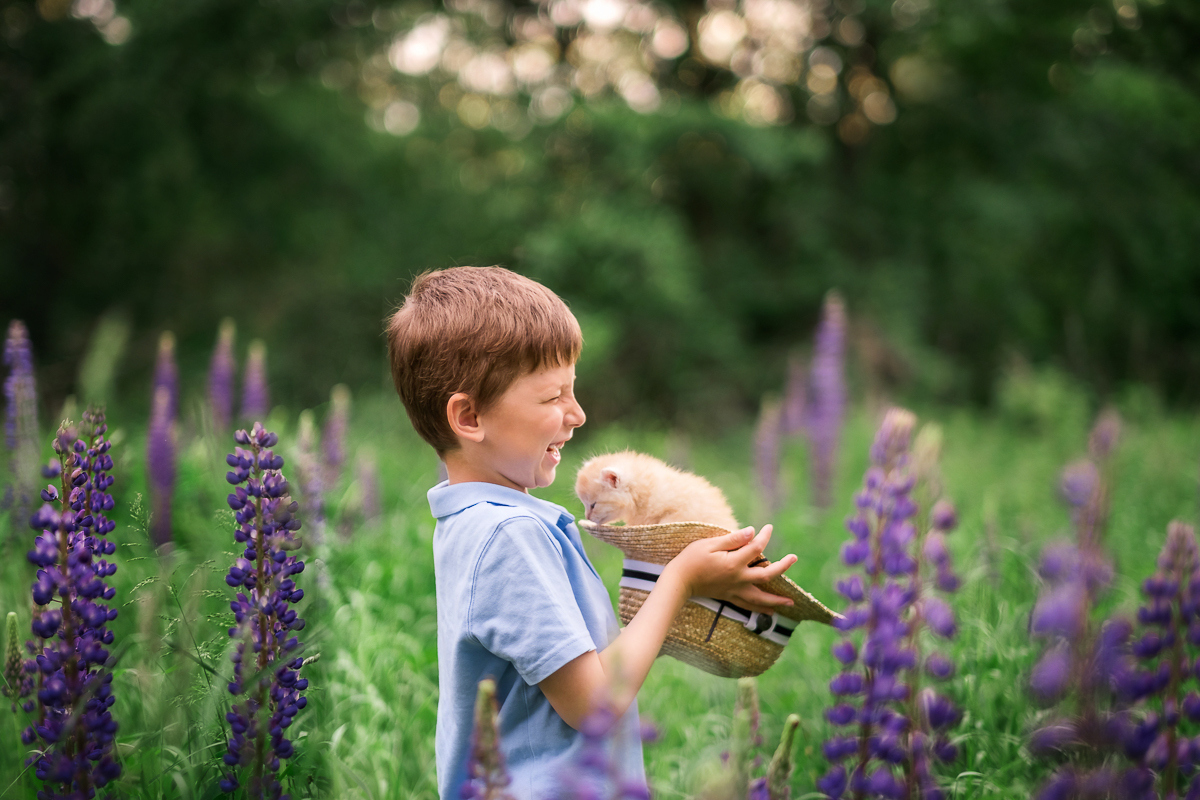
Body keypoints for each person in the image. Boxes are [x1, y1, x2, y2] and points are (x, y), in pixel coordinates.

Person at [386, 266, 798, 799]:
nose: (577, 414)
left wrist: (689, 583)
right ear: (469, 417)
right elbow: (595, 704)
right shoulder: (509, 534)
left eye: (572, 392)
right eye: (551, 397)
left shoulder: (476, 522)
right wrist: (678, 581)